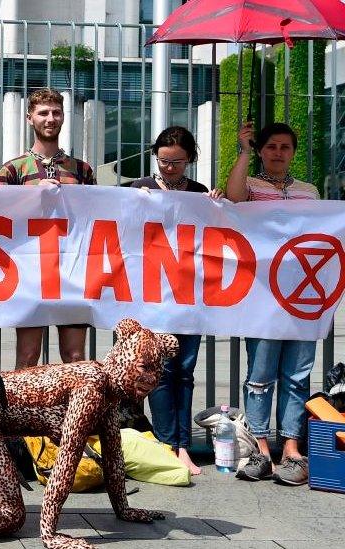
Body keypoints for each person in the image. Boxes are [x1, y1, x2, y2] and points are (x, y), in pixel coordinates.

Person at [226, 121, 319, 486]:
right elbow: (233, 199)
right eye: (271, 147)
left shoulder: (310, 192)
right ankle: (260, 450)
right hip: (262, 295)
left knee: (297, 375)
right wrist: (244, 151)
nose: (278, 153)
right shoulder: (250, 186)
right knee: (260, 375)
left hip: (303, 297)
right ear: (262, 151)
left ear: (293, 152)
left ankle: (292, 450)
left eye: (285, 147)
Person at [127, 126, 224, 476]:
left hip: (189, 294)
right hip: (152, 295)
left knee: (185, 370)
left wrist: (216, 204)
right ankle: (168, 442)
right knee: (163, 371)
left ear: (190, 160)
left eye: (177, 162)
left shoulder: (198, 192)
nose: (169, 168)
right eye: (164, 161)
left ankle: (183, 445)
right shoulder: (139, 188)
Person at [0, 88, 95, 369]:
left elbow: (97, 217)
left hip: (72, 271)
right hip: (29, 272)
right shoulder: (13, 170)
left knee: (75, 358)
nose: (50, 119)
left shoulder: (82, 169)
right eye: (43, 113)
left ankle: (75, 414)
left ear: (63, 117)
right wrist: (30, 196)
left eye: (56, 112)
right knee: (27, 358)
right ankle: (23, 414)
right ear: (30, 118)